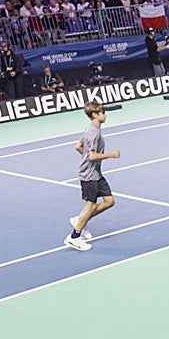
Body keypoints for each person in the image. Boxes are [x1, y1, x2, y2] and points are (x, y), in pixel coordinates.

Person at [65, 101, 119, 251]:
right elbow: (92, 156)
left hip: (96, 173)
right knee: (90, 205)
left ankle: (80, 220)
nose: (105, 114)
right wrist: (111, 155)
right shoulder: (93, 133)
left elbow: (78, 146)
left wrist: (86, 158)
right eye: (103, 112)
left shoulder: (91, 130)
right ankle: (74, 237)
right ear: (95, 115)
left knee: (109, 201)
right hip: (89, 176)